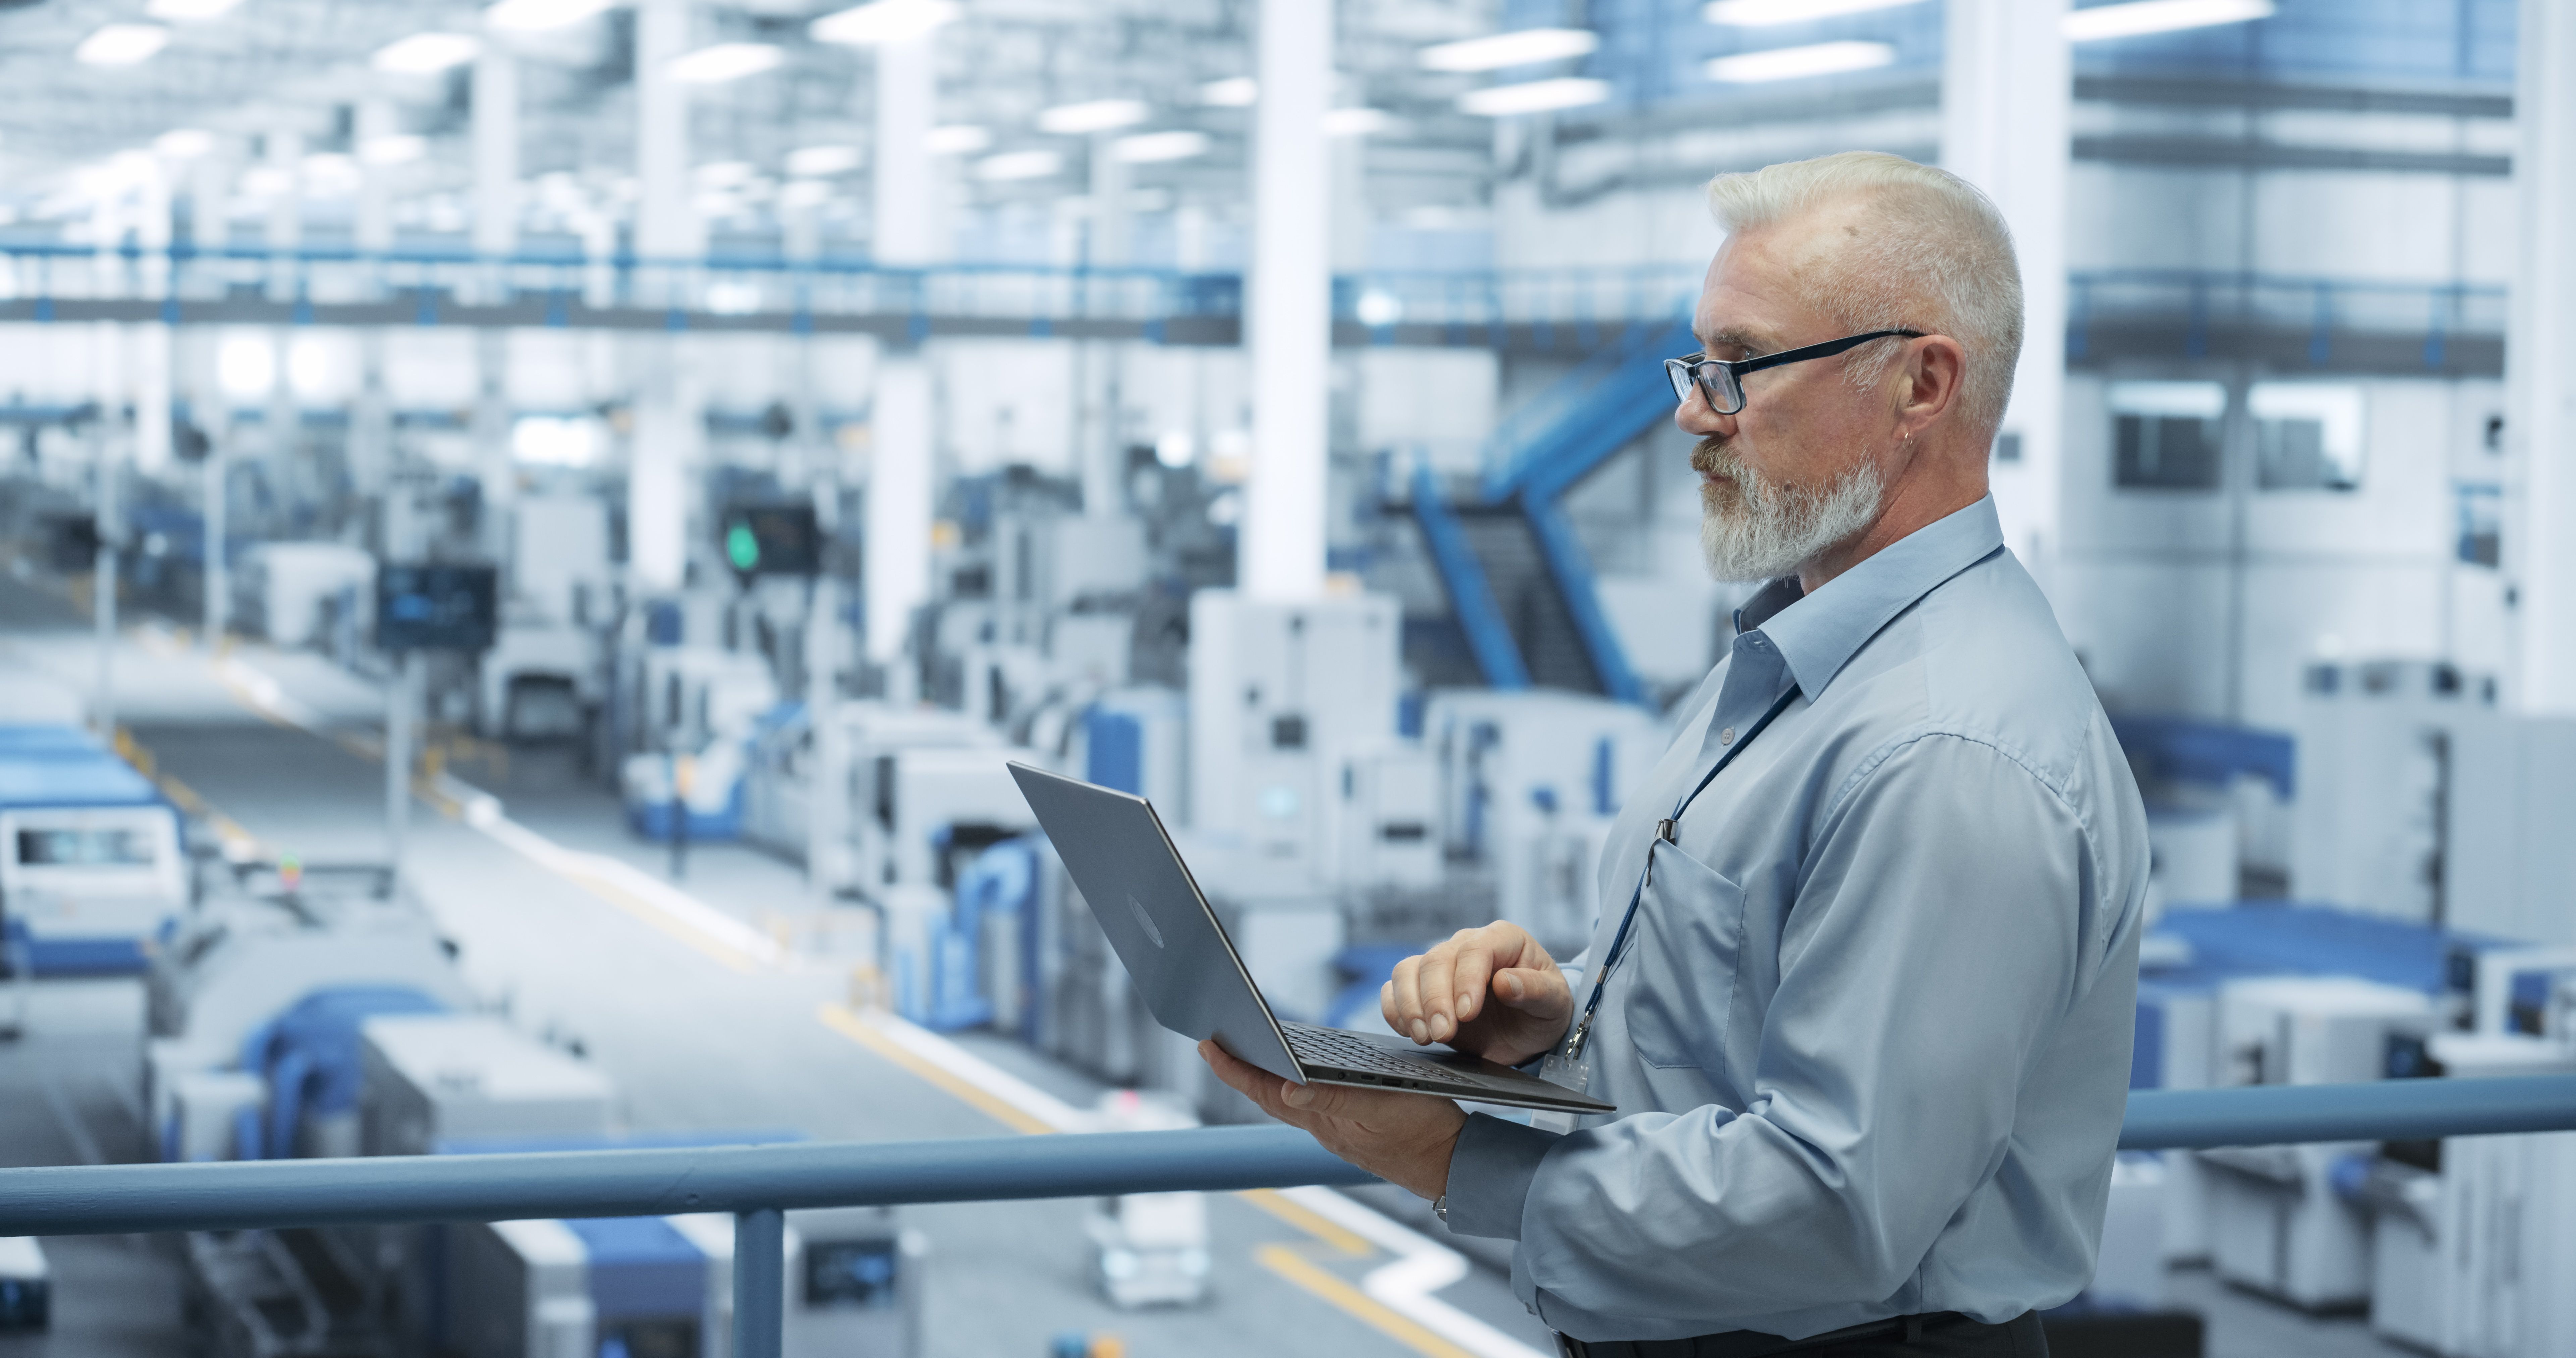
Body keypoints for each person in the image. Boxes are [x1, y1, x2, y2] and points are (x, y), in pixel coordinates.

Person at [1201, 150, 2150, 1357]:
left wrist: (1453, 1155)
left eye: (1742, 366)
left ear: (1922, 383)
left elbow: (1836, 1202)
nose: (1694, 410)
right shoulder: (1803, 658)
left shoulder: (1948, 748)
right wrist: (1558, 1019)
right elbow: (1751, 998)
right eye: (1698, 363)